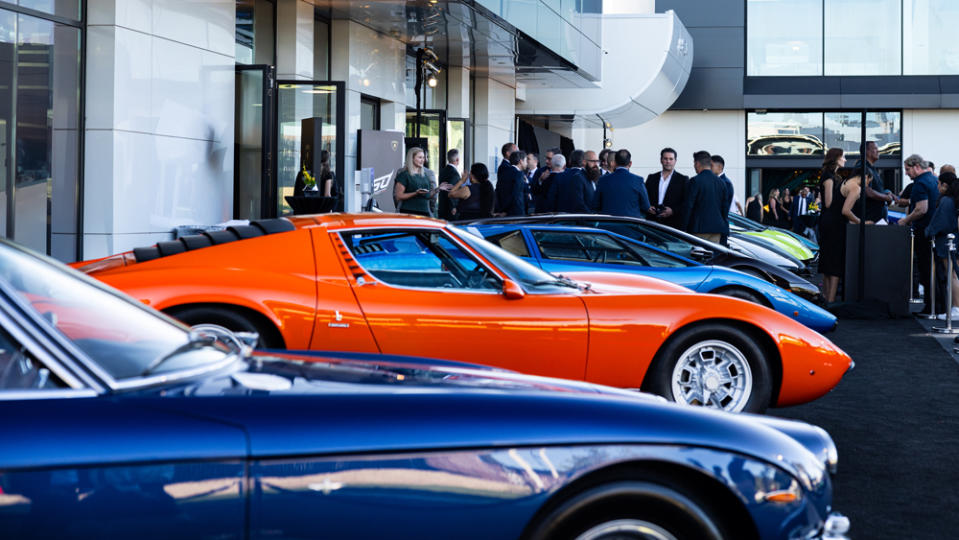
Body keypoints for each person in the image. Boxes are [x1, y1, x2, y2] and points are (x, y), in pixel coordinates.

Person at [898, 154, 941, 315]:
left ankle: (931, 306)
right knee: (934, 271)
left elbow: (921, 209)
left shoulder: (920, 183)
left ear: (916, 166)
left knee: (926, 269)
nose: (907, 173)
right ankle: (937, 305)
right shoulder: (933, 180)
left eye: (908, 169)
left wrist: (905, 220)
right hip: (934, 232)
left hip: (924, 232)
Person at [925, 172, 959, 319]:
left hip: (947, 242)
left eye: (938, 183)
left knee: (952, 275)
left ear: (945, 185)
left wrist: (928, 231)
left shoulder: (946, 201)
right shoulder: (954, 199)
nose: (937, 186)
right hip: (955, 240)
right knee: (955, 274)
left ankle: (956, 308)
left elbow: (939, 222)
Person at [681, 150, 731, 244]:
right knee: (713, 257)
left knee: (697, 256)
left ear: (697, 163)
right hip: (717, 229)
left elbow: (688, 206)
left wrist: (683, 228)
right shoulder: (721, 183)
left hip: (698, 229)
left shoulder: (695, 181)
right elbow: (725, 208)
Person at [817, 148, 846, 303]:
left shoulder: (831, 176)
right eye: (843, 157)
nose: (845, 160)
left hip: (828, 221)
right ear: (836, 158)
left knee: (828, 261)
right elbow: (828, 202)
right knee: (833, 262)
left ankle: (828, 298)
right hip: (832, 222)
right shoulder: (829, 178)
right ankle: (831, 300)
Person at [592, 149, 650, 217]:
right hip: (631, 224)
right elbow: (646, 206)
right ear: (630, 163)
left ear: (615, 163)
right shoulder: (638, 180)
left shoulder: (603, 180)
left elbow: (595, 205)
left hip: (608, 224)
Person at [645, 147, 688, 230]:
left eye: (671, 159)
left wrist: (673, 211)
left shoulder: (683, 179)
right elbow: (645, 197)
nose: (668, 161)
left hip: (673, 224)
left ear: (675, 161)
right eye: (665, 158)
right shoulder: (651, 177)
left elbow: (686, 202)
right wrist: (648, 207)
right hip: (652, 222)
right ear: (661, 160)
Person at [854, 141, 894, 224]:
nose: (878, 151)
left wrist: (886, 193)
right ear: (867, 151)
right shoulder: (862, 167)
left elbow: (874, 190)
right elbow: (867, 191)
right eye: (875, 148)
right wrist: (886, 197)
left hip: (876, 220)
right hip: (868, 220)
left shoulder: (871, 168)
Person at [393, 147, 435, 217]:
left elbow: (427, 195)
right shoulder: (404, 175)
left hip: (425, 212)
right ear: (412, 158)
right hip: (409, 212)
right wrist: (415, 193)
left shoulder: (424, 175)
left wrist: (438, 189)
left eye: (423, 158)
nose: (423, 160)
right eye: (420, 157)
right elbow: (398, 196)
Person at [710, 154, 736, 244]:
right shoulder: (719, 181)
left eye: (711, 165)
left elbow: (722, 207)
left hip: (718, 228)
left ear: (720, 167)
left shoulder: (725, 183)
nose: (709, 168)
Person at [437, 149, 469, 220]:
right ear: (457, 159)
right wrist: (454, 207)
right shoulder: (454, 174)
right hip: (450, 211)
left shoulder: (443, 171)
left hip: (442, 207)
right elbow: (452, 191)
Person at [494, 150, 528, 216]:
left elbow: (498, 190)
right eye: (526, 161)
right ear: (521, 161)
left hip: (503, 211)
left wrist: (503, 209)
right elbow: (516, 194)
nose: (527, 163)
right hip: (516, 212)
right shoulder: (519, 174)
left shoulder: (504, 173)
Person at [531, 147, 560, 213]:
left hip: (559, 211)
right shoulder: (540, 171)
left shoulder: (565, 172)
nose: (546, 161)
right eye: (546, 158)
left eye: (549, 159)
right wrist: (540, 180)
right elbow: (533, 191)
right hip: (542, 210)